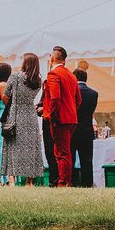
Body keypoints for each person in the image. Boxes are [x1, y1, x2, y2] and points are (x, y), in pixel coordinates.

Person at [1, 53, 45, 185]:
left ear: (25, 63)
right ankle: (29, 181)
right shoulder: (38, 81)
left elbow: (5, 95)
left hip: (16, 114)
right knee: (31, 147)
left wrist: (12, 104)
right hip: (31, 115)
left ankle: (12, 180)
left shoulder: (15, 77)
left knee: (12, 145)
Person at [42, 46, 81, 188]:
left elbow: (55, 98)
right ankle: (65, 181)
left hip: (59, 119)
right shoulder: (72, 75)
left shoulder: (53, 74)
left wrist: (51, 115)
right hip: (71, 118)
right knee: (65, 151)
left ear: (52, 59)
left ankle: (63, 182)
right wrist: (71, 111)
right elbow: (78, 99)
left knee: (61, 153)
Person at [72, 67, 98, 187]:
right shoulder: (94, 94)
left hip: (72, 130)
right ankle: (87, 184)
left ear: (74, 78)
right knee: (87, 160)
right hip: (87, 130)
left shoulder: (71, 92)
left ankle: (73, 183)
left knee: (71, 159)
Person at [37, 83, 59, 187]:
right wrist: (38, 107)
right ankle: (53, 179)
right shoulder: (45, 90)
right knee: (49, 153)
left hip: (54, 124)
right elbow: (41, 103)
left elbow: (55, 103)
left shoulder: (56, 90)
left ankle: (56, 180)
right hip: (46, 125)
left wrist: (43, 109)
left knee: (55, 153)